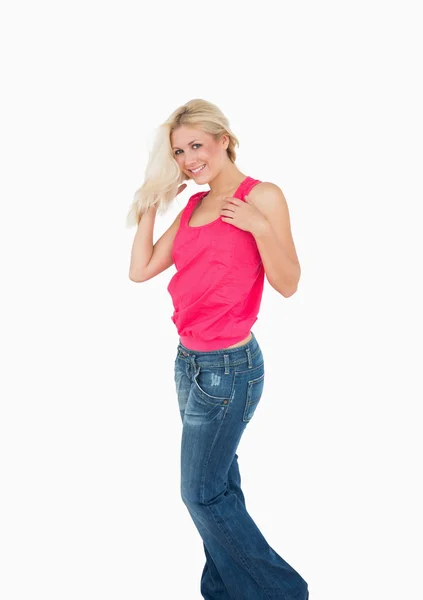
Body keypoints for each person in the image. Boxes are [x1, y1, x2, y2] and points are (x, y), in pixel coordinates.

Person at [127, 99, 309, 599]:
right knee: (220, 488)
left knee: (200, 494)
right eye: (179, 152)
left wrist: (259, 226)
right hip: (189, 364)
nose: (188, 159)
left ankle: (282, 592)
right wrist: (147, 207)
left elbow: (288, 283)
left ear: (223, 140)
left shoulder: (263, 196)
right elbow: (141, 270)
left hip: (229, 368)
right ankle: (225, 592)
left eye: (196, 146)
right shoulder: (192, 206)